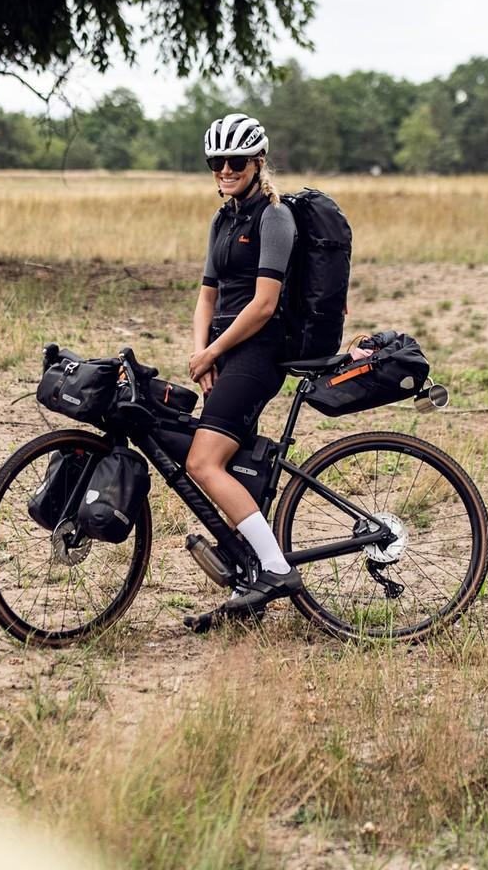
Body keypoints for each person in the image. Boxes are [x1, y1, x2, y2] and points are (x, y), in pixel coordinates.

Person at [185, 113, 303, 616]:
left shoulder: (273, 217)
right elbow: (206, 295)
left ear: (258, 163)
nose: (225, 170)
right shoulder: (223, 218)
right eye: (217, 162)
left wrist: (214, 352)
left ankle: (275, 569)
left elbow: (263, 305)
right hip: (224, 351)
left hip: (260, 351)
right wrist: (201, 353)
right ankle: (247, 582)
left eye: (235, 161)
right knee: (234, 467)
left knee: (202, 462)